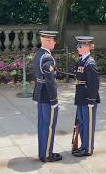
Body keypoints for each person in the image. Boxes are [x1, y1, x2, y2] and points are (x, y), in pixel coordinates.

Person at [32, 31, 62, 162]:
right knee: (49, 126)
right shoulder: (47, 58)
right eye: (53, 40)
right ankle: (47, 154)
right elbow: (50, 82)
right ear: (47, 41)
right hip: (47, 96)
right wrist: (54, 100)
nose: (55, 43)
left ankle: (42, 152)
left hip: (40, 95)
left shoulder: (38, 55)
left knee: (42, 125)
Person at [72, 36, 100, 157]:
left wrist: (91, 100)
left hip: (88, 98)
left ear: (88, 47)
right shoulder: (81, 60)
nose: (78, 48)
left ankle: (87, 149)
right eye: (78, 45)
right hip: (81, 96)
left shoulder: (90, 63)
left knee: (88, 124)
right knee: (82, 123)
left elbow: (94, 84)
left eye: (81, 46)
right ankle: (83, 146)